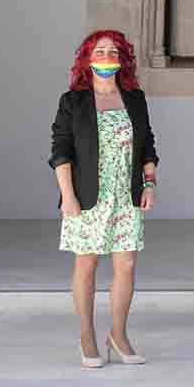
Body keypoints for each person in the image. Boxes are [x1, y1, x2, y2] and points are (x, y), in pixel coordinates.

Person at [50, 29, 158, 368]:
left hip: (126, 195)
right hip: (86, 197)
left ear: (122, 58)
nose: (107, 55)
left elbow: (148, 145)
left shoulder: (135, 98)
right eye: (100, 50)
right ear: (87, 57)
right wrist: (67, 196)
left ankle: (118, 334)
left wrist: (150, 183)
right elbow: (61, 151)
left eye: (114, 50)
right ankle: (87, 337)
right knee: (87, 265)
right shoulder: (73, 101)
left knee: (126, 266)